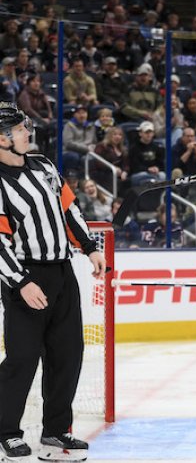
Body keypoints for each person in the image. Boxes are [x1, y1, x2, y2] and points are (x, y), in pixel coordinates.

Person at [0, 104, 104, 462]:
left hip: (62, 274)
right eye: (19, 129)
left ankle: (56, 430)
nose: (28, 132)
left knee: (67, 355)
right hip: (25, 278)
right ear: (1, 138)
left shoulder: (44, 166)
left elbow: (69, 209)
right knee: (23, 358)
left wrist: (90, 247)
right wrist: (22, 282)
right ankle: (7, 432)